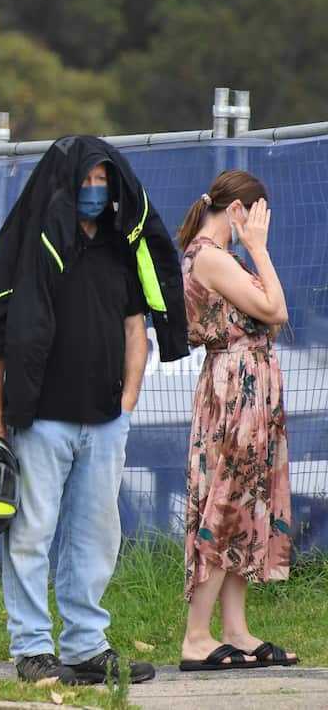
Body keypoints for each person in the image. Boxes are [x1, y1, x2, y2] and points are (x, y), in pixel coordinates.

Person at [0, 136, 188, 686]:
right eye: (85, 181)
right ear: (64, 186)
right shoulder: (29, 246)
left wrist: (127, 404)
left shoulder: (119, 248)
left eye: (102, 182)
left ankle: (87, 647)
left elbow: (136, 331)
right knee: (32, 534)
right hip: (39, 419)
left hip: (106, 421)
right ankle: (33, 650)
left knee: (96, 537)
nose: (94, 191)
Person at [176, 171, 297, 671]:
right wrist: (260, 249)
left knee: (246, 504)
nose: (259, 228)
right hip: (235, 388)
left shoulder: (221, 257)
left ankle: (235, 629)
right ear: (239, 212)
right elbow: (277, 309)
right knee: (223, 503)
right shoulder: (210, 256)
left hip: (249, 384)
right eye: (257, 216)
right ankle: (196, 637)